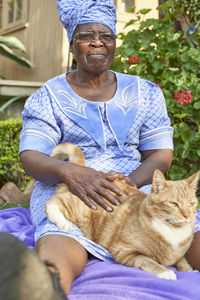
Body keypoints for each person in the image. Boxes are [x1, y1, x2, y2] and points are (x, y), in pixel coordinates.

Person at [19, 0, 200, 297]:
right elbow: (31, 157)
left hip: (134, 195)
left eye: (106, 36)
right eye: (86, 36)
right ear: (73, 43)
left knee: (190, 237)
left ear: (115, 42)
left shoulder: (144, 92)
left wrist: (132, 182)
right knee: (52, 262)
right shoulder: (48, 96)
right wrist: (72, 172)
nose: (97, 43)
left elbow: (160, 153)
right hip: (68, 195)